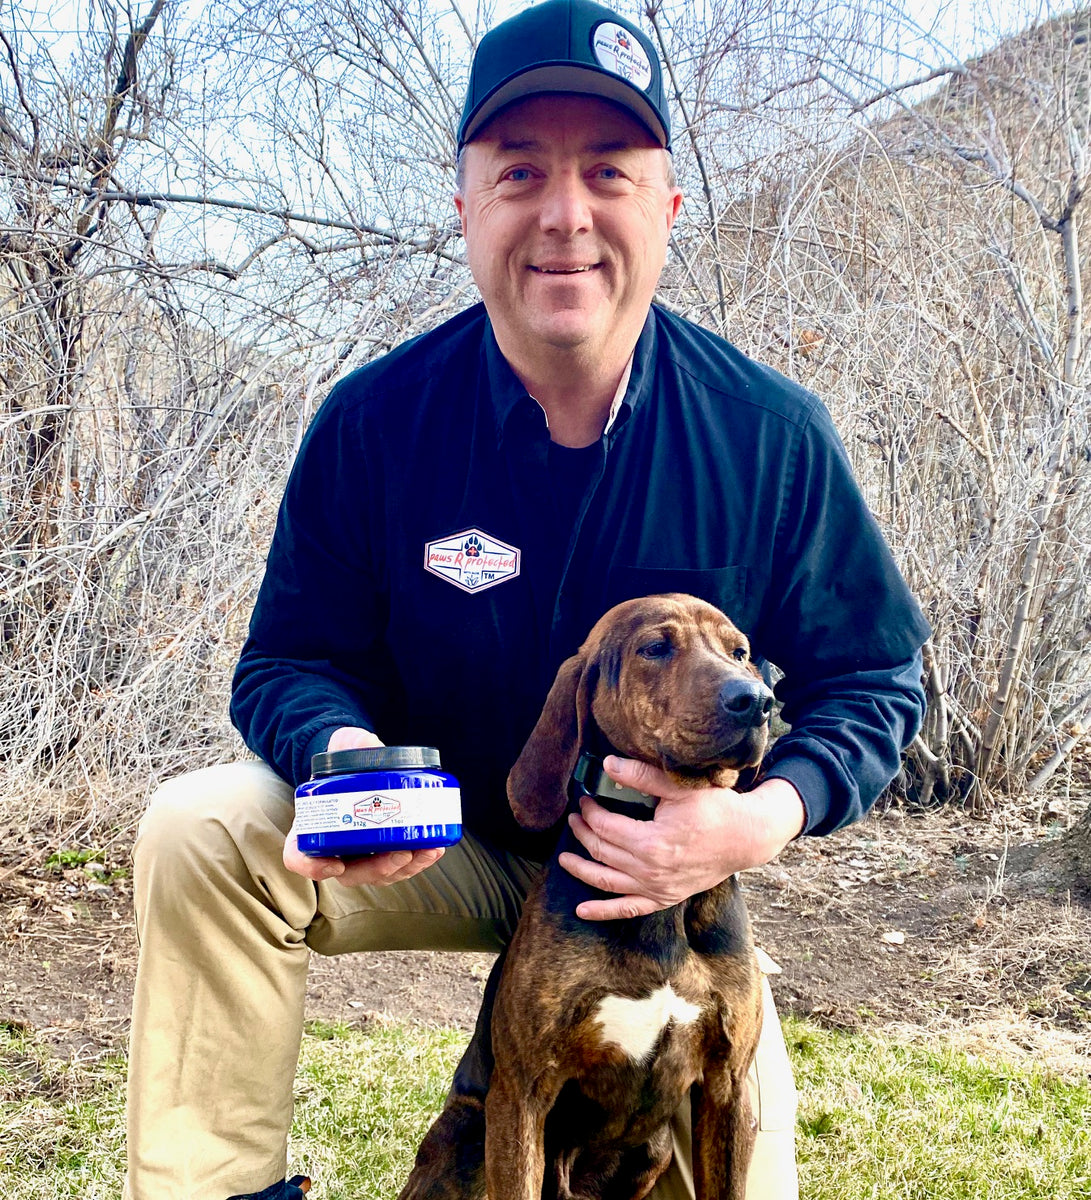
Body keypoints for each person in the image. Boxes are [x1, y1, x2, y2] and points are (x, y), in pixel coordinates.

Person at [125, 1, 930, 1197]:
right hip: (439, 837)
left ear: (664, 206)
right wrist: (345, 757)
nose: (563, 214)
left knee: (738, 1100)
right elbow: (285, 661)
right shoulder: (374, 424)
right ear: (465, 206)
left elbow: (875, 677)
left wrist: (759, 820)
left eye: (606, 170)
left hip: (656, 865)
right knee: (201, 833)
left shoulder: (768, 440)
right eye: (518, 173)